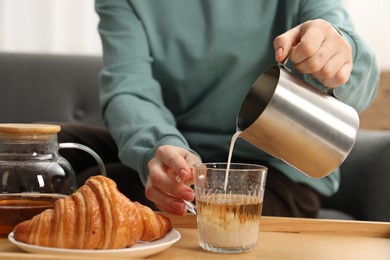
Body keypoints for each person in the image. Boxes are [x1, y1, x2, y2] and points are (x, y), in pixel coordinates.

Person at [59, 0, 379, 218]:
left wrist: (339, 51)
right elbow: (128, 87)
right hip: (177, 146)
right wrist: (157, 147)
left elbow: (355, 71)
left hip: (273, 169)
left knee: (94, 186)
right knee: (49, 153)